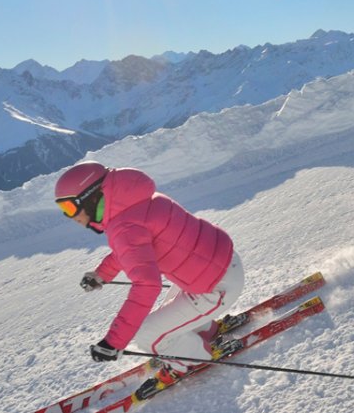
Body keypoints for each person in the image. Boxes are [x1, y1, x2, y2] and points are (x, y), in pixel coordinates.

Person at [54, 161, 245, 399]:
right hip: (220, 266)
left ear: (92, 198)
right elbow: (134, 248)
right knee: (167, 316)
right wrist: (102, 274)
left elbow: (147, 285)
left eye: (70, 208)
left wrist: (114, 342)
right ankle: (207, 329)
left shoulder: (124, 227)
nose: (70, 217)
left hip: (216, 287)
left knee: (147, 335)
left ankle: (189, 360)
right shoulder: (139, 201)